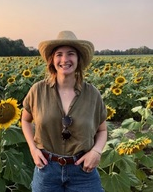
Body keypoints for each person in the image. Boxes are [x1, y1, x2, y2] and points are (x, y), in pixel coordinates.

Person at [21, 31, 107, 192]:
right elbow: (25, 120)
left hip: (83, 170)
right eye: (59, 54)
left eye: (71, 54)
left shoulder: (92, 94)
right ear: (52, 60)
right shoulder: (38, 90)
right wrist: (32, 148)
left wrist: (96, 151)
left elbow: (102, 130)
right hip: (47, 169)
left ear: (78, 59)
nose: (65, 59)